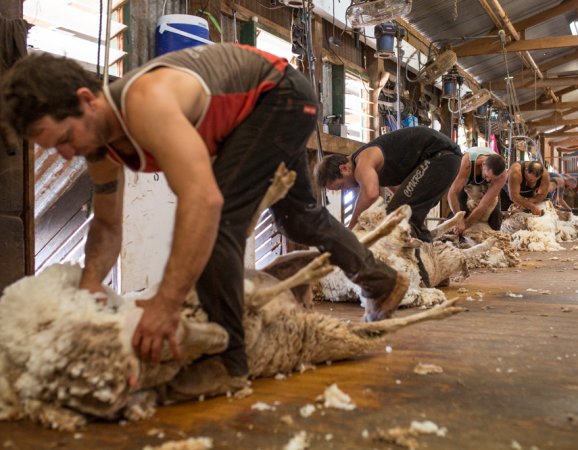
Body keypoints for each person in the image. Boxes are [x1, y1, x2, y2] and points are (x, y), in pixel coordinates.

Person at [0, 45, 409, 384]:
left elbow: (204, 202)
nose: (68, 154)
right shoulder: (100, 144)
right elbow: (107, 223)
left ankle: (229, 362)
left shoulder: (145, 104)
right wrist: (89, 284)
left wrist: (166, 303)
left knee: (220, 221)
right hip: (267, 104)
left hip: (280, 95)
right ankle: (381, 281)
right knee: (298, 217)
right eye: (57, 149)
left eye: (67, 138)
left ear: (86, 101)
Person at [314, 127, 463, 242]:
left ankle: (420, 275)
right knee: (405, 212)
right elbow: (402, 193)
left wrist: (350, 229)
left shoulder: (362, 163)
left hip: (440, 157)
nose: (346, 190)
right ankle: (432, 265)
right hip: (445, 159)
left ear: (344, 168)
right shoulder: (369, 167)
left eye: (341, 186)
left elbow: (371, 195)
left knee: (398, 215)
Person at [447, 146, 508, 235]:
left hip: (489, 185)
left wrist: (467, 224)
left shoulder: (502, 176)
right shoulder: (467, 163)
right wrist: (459, 220)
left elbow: (483, 205)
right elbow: (452, 193)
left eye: (491, 179)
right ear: (483, 164)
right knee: (460, 212)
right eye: (487, 176)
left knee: (495, 217)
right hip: (468, 181)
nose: (487, 180)